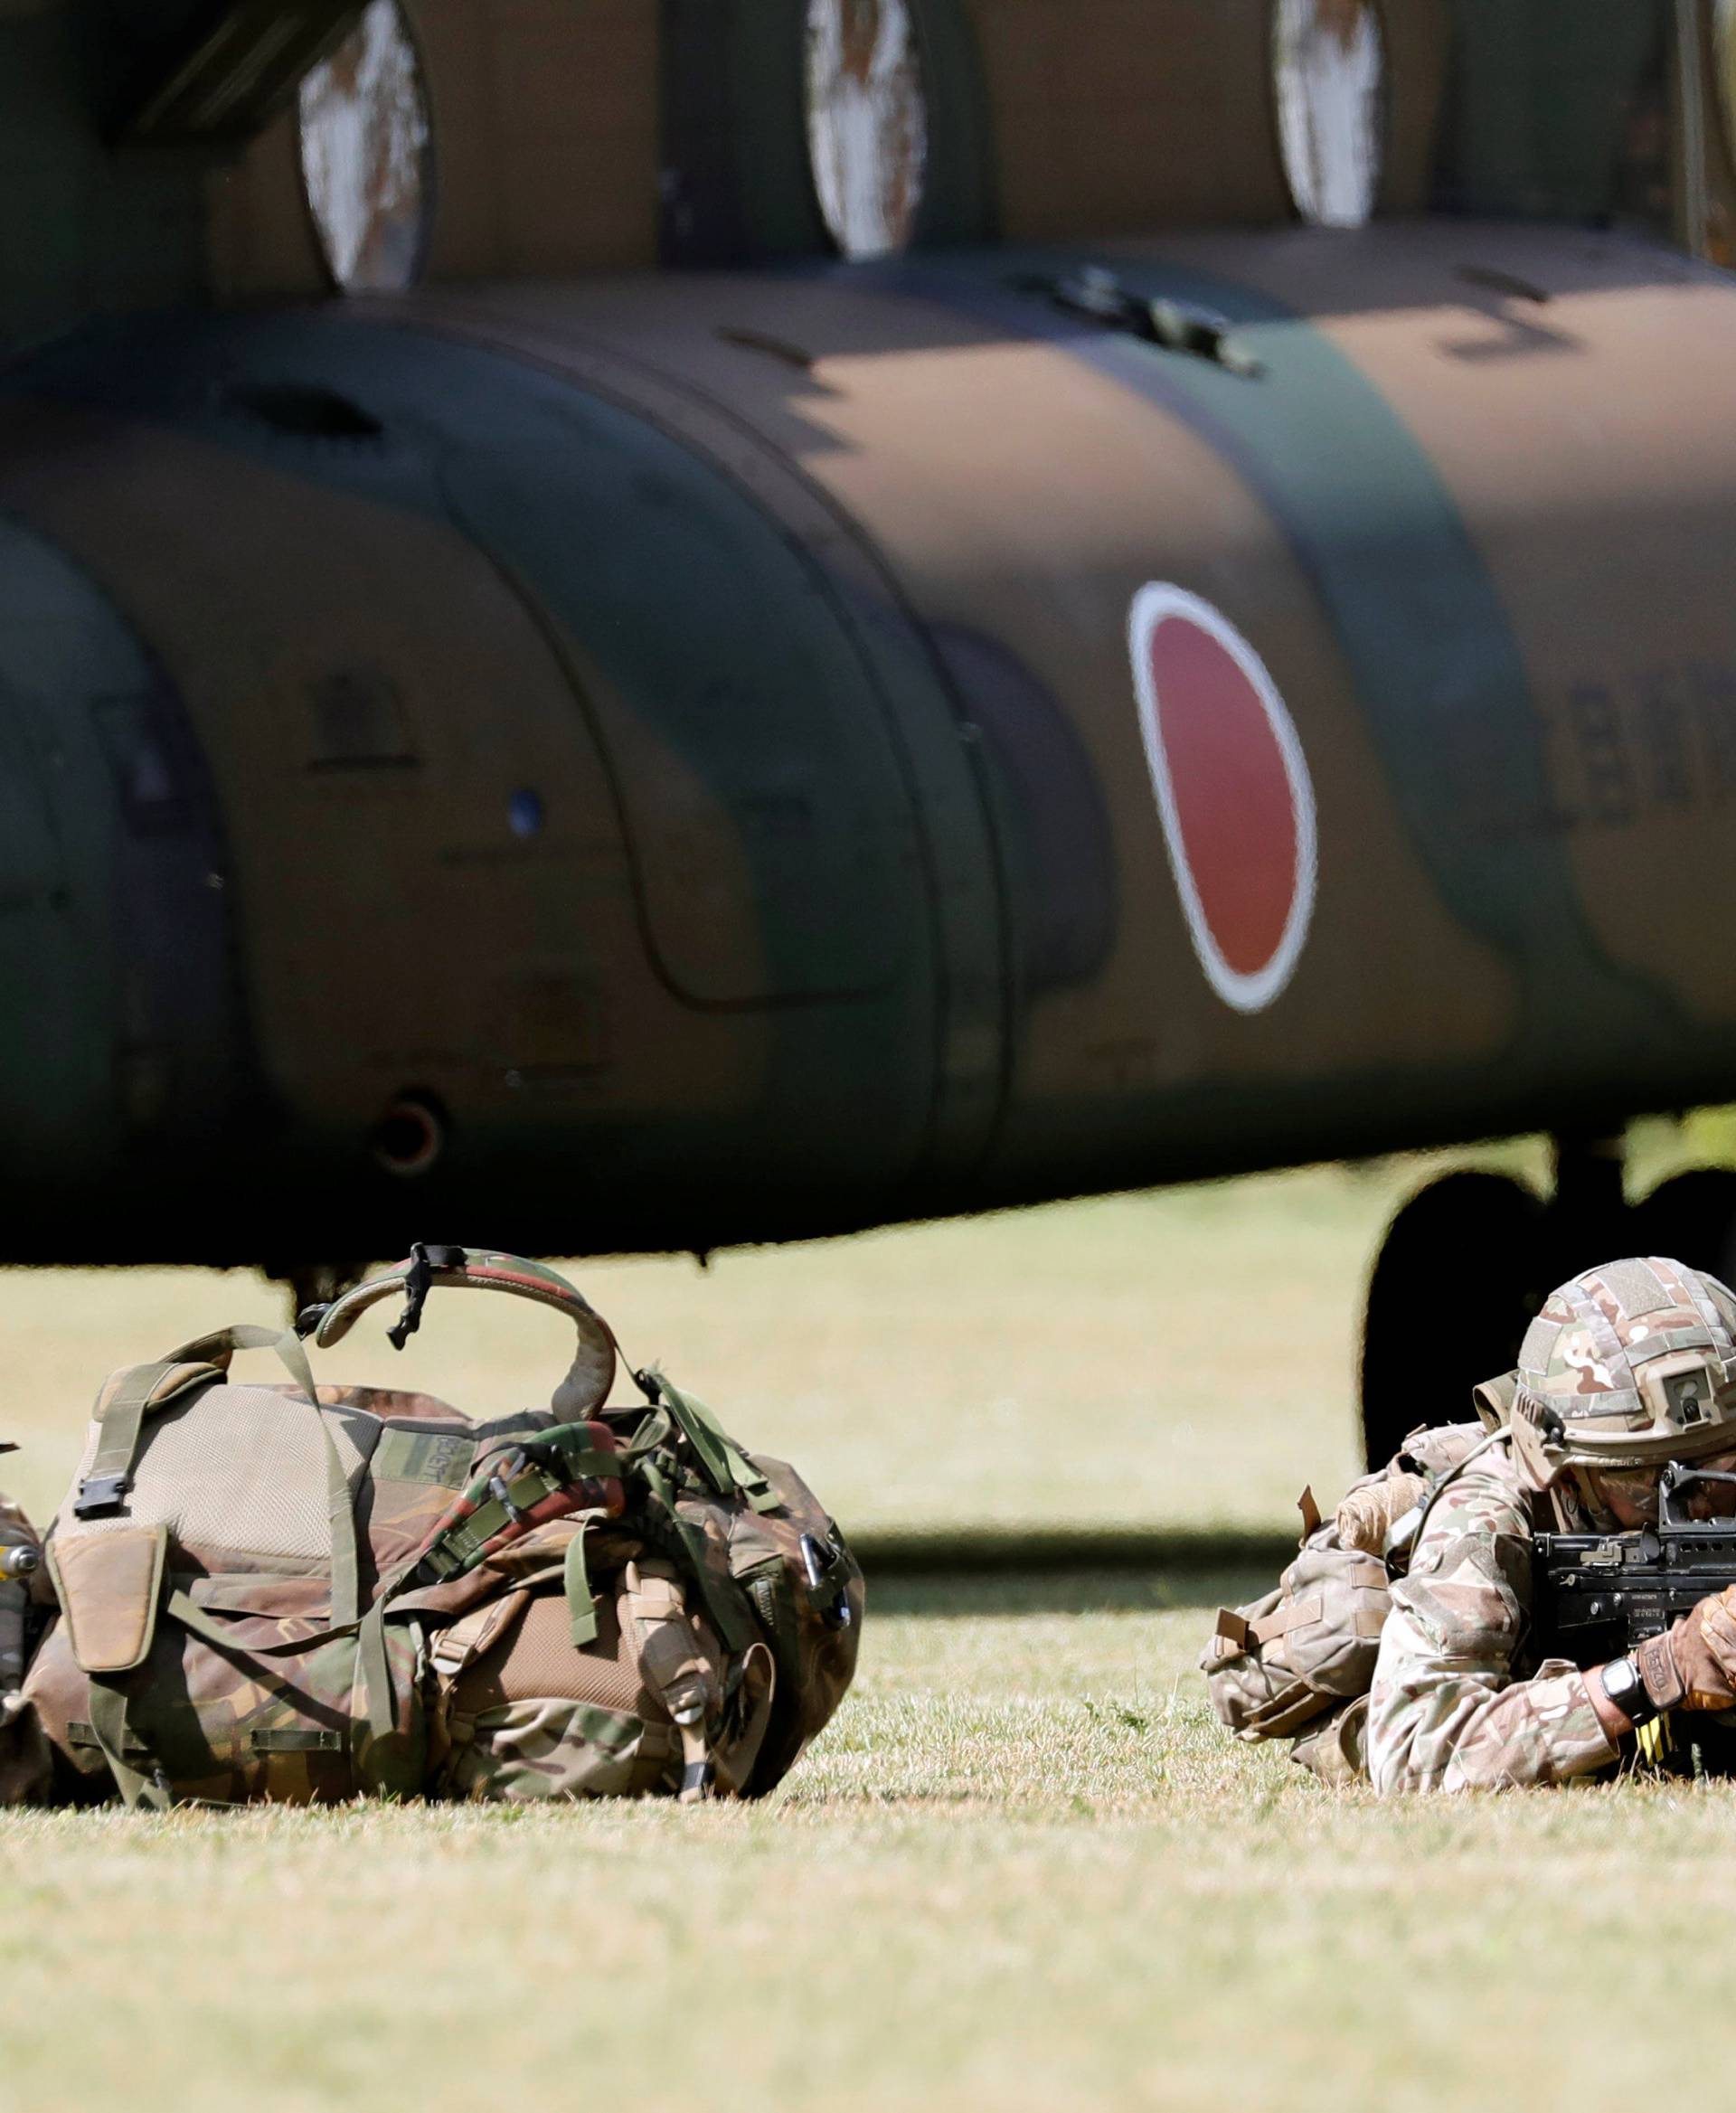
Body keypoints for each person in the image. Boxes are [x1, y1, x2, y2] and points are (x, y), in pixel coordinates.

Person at [1366, 1255, 1736, 1791]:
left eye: (1725, 1471)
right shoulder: (1483, 1520)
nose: (1700, 1508)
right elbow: (1416, 1754)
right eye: (1646, 1482)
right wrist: (1663, 1670)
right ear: (1566, 1475)